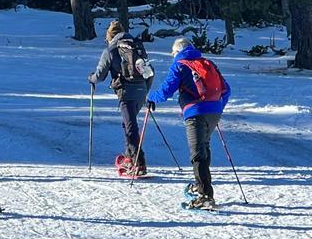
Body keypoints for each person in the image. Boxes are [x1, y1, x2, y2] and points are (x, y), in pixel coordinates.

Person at [147, 38, 231, 209]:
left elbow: (165, 92)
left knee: (198, 154)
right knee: (204, 149)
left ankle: (205, 196)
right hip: (213, 112)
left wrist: (149, 97)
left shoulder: (180, 65)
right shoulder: (208, 63)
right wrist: (217, 107)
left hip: (195, 112)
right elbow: (227, 89)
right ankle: (201, 187)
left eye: (173, 53)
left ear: (177, 52)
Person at [88, 20, 154, 176]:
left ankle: (138, 163)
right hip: (141, 90)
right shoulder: (137, 47)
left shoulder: (111, 50)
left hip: (126, 92)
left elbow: (99, 76)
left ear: (109, 36)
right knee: (128, 125)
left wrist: (90, 78)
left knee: (130, 127)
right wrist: (145, 90)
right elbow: (150, 71)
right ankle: (129, 157)